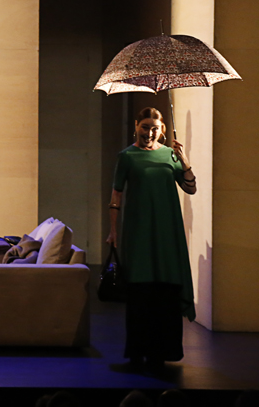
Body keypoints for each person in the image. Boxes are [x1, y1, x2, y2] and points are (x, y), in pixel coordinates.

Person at [107, 107, 197, 371]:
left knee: (165, 290)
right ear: (136, 126)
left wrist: (184, 159)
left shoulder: (170, 155)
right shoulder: (126, 156)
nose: (149, 132)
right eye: (145, 127)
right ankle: (137, 355)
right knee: (140, 292)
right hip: (138, 232)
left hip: (168, 232)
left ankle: (161, 353)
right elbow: (116, 195)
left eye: (155, 128)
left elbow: (191, 187)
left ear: (163, 130)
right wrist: (113, 230)